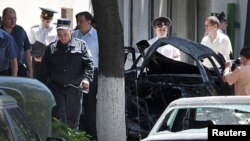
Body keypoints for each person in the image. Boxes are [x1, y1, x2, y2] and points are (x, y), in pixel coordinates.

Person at [38, 18, 94, 129]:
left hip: (74, 89)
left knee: (73, 122)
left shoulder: (81, 46)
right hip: (56, 89)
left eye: (65, 34)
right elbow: (43, 71)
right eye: (59, 35)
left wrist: (86, 79)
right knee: (59, 120)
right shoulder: (51, 48)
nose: (62, 37)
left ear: (71, 31)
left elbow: (89, 65)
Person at [72, 11, 98, 139]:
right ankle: (77, 132)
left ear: (89, 21)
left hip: (92, 73)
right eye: (77, 21)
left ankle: (91, 134)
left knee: (89, 104)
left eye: (81, 21)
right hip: (75, 73)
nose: (79, 24)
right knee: (76, 103)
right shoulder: (73, 35)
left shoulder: (97, 36)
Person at [1, 7, 33, 77]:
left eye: (15, 18)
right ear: (3, 18)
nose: (13, 21)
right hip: (3, 71)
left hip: (20, 69)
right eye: (10, 19)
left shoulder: (20, 31)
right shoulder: (1, 33)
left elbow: (27, 51)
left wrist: (30, 71)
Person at [29, 7, 57, 78]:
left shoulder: (55, 30)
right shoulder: (34, 30)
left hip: (51, 63)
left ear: (51, 19)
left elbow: (58, 46)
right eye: (43, 20)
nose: (45, 22)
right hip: (37, 62)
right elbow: (30, 47)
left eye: (47, 21)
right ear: (40, 17)